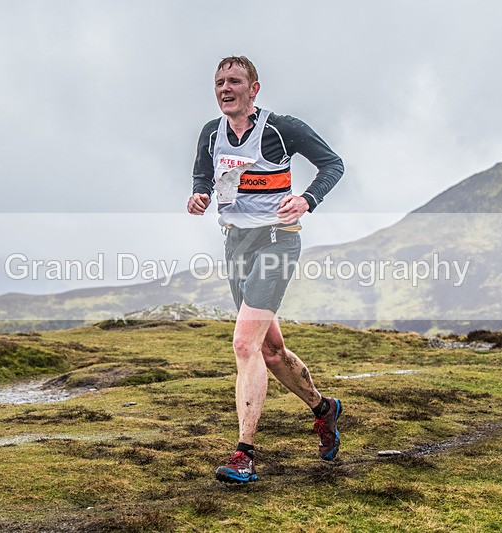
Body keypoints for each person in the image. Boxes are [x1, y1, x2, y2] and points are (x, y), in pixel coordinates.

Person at [187, 56, 345, 483]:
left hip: (277, 241)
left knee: (243, 344)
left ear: (254, 88)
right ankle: (324, 409)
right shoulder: (210, 133)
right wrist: (199, 196)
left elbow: (333, 164)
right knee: (270, 350)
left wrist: (307, 199)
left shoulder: (281, 129)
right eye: (219, 81)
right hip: (236, 243)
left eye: (234, 81)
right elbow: (204, 175)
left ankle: (244, 455)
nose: (225, 88)